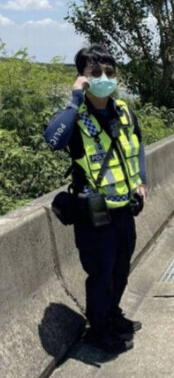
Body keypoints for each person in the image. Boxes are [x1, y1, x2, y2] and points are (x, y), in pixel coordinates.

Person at [44, 44, 147, 354]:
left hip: (125, 209)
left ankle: (112, 314)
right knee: (101, 274)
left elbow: (139, 145)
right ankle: (99, 329)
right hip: (94, 213)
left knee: (120, 270)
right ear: (83, 77)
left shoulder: (124, 110)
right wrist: (75, 98)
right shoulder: (74, 117)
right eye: (96, 72)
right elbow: (52, 139)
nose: (105, 77)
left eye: (109, 71)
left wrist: (141, 179)